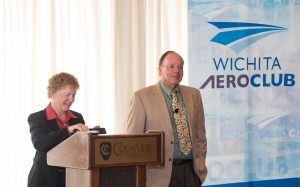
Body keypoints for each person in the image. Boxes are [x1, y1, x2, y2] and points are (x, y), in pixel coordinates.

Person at [126, 51, 207, 187]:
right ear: (159, 70)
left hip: (190, 173)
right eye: (171, 66)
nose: (176, 71)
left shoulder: (194, 95)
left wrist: (200, 167)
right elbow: (133, 142)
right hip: (158, 177)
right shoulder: (141, 97)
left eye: (180, 67)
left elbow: (200, 135)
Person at [27, 72, 90, 187]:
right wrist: (68, 130)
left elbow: (80, 150)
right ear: (52, 93)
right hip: (43, 180)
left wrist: (90, 135)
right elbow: (40, 143)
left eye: (74, 95)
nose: (71, 99)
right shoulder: (36, 118)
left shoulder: (78, 118)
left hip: (71, 179)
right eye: (67, 95)